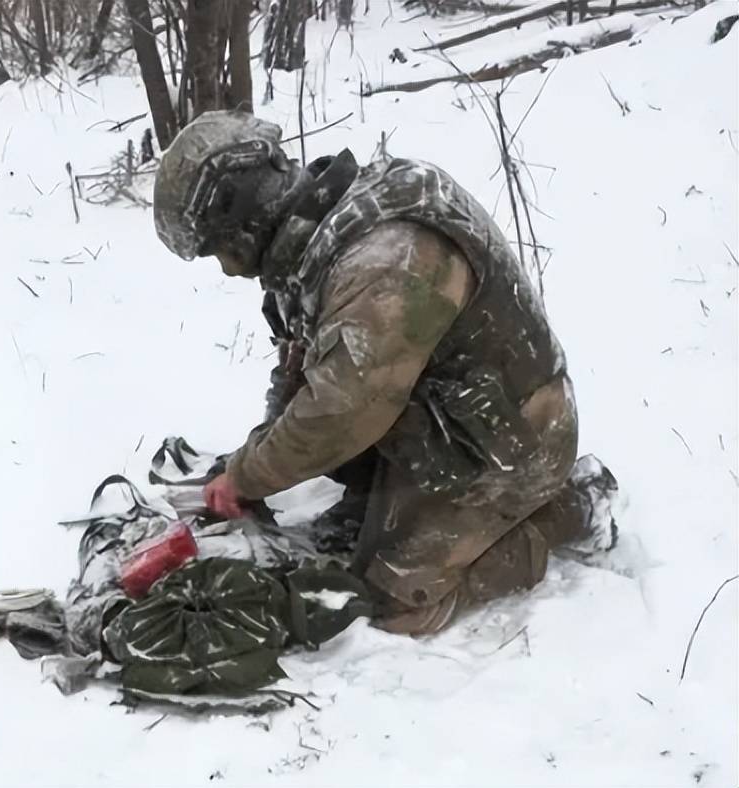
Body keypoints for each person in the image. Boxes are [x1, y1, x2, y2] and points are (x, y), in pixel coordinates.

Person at [151, 110, 619, 636]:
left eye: (218, 250)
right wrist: (255, 460)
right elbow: (303, 368)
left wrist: (246, 475)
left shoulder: (383, 259)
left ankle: (571, 509)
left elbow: (340, 412)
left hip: (511, 444)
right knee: (346, 513)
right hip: (440, 418)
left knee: (395, 602)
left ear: (243, 219)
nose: (228, 269)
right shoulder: (313, 240)